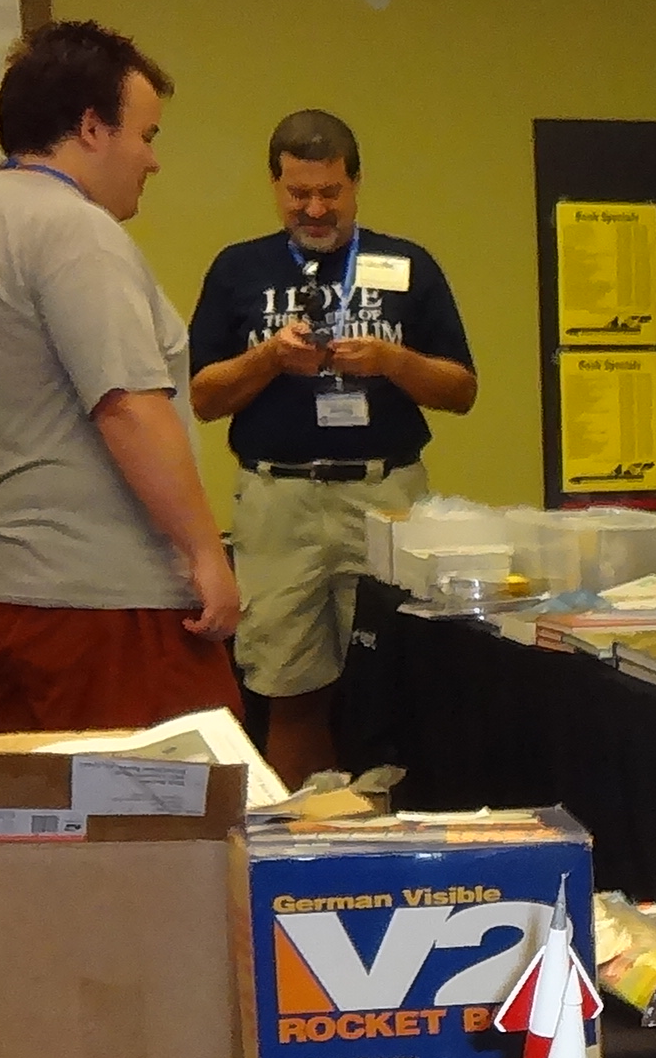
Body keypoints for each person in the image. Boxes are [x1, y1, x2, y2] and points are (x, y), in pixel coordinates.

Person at [0, 20, 242, 738]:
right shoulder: (75, 232)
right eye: (146, 135)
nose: (153, 161)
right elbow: (128, 407)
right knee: (182, 796)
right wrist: (206, 552)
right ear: (91, 128)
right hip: (93, 592)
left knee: (36, 803)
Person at [186, 108, 474, 790]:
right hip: (278, 503)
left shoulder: (408, 264)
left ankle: (392, 831)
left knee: (398, 685)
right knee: (289, 687)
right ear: (275, 186)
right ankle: (302, 831)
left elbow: (461, 390)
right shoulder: (237, 269)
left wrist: (393, 361)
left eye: (330, 193)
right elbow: (202, 397)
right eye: (299, 194)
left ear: (356, 184)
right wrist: (267, 359)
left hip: (385, 498)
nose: (315, 210)